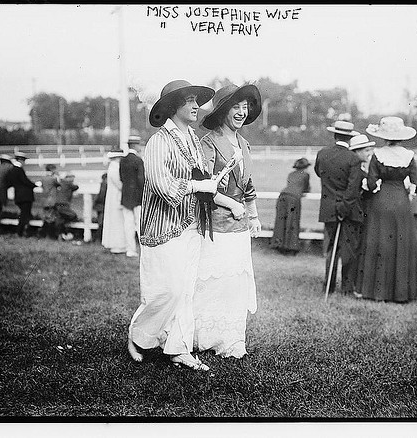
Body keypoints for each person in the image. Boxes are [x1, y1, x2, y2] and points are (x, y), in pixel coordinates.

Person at [127, 79, 217, 371]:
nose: (195, 106)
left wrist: (212, 183)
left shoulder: (192, 138)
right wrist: (199, 186)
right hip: (163, 225)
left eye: (196, 101)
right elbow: (163, 186)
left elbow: (201, 177)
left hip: (192, 224)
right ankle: (139, 335)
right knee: (168, 289)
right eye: (189, 101)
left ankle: (179, 349)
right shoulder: (159, 141)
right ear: (172, 106)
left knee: (187, 290)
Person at [193, 83, 262, 358]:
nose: (242, 112)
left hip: (239, 227)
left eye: (245, 107)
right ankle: (206, 338)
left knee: (235, 283)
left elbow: (248, 186)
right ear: (223, 110)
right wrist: (232, 204)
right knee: (214, 281)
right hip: (215, 226)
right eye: (236, 106)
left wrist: (253, 214)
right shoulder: (208, 143)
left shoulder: (243, 144)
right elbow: (203, 186)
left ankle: (232, 340)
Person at [359, 117, 417, 303]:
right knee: (401, 244)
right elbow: (416, 184)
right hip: (401, 202)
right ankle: (401, 293)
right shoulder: (409, 155)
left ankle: (378, 292)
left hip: (381, 201)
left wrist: (371, 186)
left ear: (384, 137)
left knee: (380, 243)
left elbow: (371, 184)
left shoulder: (377, 155)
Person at [314, 120, 366, 295]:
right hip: (347, 211)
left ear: (335, 135)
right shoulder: (353, 158)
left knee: (330, 250)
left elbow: (318, 172)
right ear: (350, 138)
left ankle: (328, 288)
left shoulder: (322, 154)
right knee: (348, 250)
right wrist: (343, 209)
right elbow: (352, 189)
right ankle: (346, 288)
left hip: (328, 208)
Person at [347, 133, 376, 298]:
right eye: (366, 150)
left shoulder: (366, 168)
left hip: (364, 214)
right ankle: (354, 285)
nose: (369, 153)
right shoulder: (355, 169)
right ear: (356, 152)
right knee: (355, 249)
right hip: (355, 215)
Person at [270, 157, 311, 255]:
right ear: (305, 167)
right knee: (292, 221)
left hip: (283, 196)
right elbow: (306, 188)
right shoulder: (306, 175)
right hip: (293, 198)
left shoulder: (291, 174)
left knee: (281, 221)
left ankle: (279, 245)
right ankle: (291, 247)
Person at [120, 135, 145, 258]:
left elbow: (121, 178)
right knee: (140, 224)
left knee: (128, 224)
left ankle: (130, 249)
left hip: (126, 196)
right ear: (135, 146)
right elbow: (141, 180)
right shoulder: (138, 161)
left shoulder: (123, 160)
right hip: (137, 197)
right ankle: (144, 249)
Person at [101, 147, 126, 254]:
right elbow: (119, 184)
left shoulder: (113, 166)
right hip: (116, 195)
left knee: (116, 219)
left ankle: (118, 244)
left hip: (113, 194)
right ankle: (117, 245)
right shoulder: (114, 168)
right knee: (117, 219)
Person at [9, 152, 37, 237]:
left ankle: (21, 232)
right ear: (21, 160)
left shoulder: (13, 170)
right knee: (24, 215)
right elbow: (25, 181)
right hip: (25, 196)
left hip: (19, 195)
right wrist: (35, 185)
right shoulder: (18, 169)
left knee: (24, 214)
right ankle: (20, 232)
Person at [37, 164, 61, 239]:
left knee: (47, 217)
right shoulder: (53, 178)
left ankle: (43, 234)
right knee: (51, 218)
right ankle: (50, 235)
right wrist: (57, 175)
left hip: (44, 200)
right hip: (51, 200)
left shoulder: (43, 178)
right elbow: (59, 184)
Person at [54, 171, 79, 240]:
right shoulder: (68, 183)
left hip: (58, 203)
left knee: (61, 219)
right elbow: (76, 187)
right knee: (73, 216)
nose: (72, 179)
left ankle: (61, 235)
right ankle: (67, 233)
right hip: (64, 203)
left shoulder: (61, 183)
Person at [93, 172, 107, 243]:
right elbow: (102, 197)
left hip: (98, 206)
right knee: (101, 223)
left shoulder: (101, 185)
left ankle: (97, 239)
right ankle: (98, 239)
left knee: (100, 223)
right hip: (102, 206)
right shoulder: (105, 185)